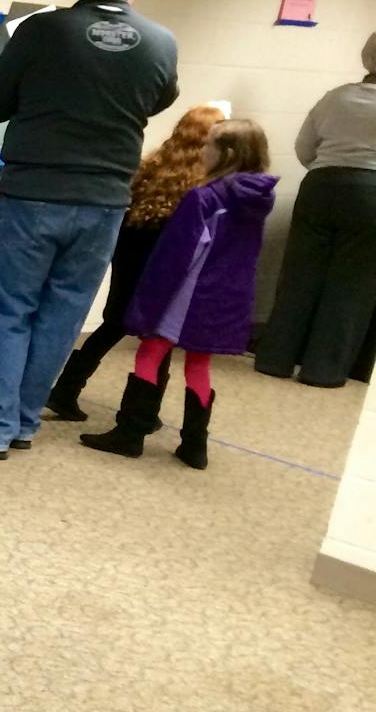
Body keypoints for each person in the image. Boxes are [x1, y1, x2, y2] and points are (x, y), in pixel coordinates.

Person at [0, 0, 180, 459]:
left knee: (8, 309)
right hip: (104, 202)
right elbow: (158, 99)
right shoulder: (161, 42)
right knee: (62, 316)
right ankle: (22, 422)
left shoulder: (41, 30)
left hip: (31, 194)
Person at [79, 119, 276, 469]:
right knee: (199, 363)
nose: (203, 151)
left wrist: (148, 300)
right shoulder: (257, 201)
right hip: (227, 294)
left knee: (150, 351)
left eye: (210, 145)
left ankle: (129, 433)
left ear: (226, 153)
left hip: (188, 293)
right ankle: (194, 445)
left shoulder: (204, 198)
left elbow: (176, 254)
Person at [46, 104, 224, 421]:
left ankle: (65, 391)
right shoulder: (202, 185)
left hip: (128, 254)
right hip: (163, 265)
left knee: (112, 325)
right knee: (159, 337)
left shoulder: (151, 165)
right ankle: (146, 410)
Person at [255, 31, 376, 389]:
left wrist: (330, 167)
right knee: (352, 284)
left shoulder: (336, 97)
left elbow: (304, 148)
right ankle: (323, 370)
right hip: (372, 194)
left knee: (299, 275)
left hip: (321, 186)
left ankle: (275, 358)